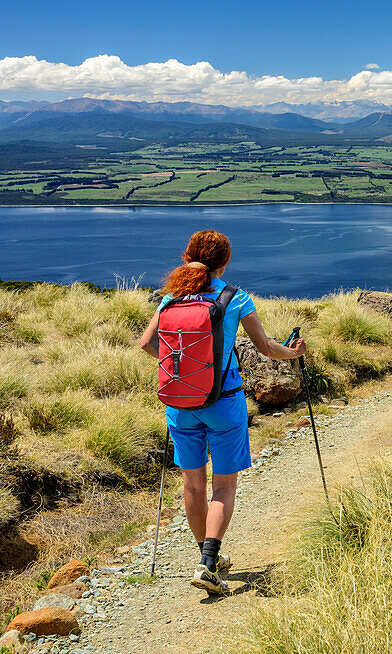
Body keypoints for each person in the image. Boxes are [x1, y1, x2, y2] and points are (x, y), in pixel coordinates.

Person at [139, 230, 306, 595]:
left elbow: (147, 343)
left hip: (179, 404)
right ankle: (208, 563)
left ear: (187, 257)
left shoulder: (170, 299)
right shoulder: (235, 297)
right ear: (224, 261)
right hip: (224, 400)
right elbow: (264, 348)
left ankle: (206, 557)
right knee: (223, 485)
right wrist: (294, 353)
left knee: (192, 484)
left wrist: (180, 371)